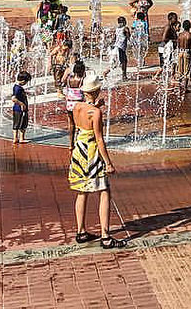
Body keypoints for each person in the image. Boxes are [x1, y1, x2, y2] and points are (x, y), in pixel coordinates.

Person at [69, 73, 123, 248]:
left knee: (81, 192)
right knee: (104, 191)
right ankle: (105, 236)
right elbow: (99, 139)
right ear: (97, 90)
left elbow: (84, 117)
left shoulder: (77, 107)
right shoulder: (96, 113)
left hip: (79, 150)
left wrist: (95, 105)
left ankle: (81, 231)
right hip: (92, 153)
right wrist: (108, 162)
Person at [61, 60, 86, 151]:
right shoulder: (82, 80)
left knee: (71, 124)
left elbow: (62, 82)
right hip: (78, 104)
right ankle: (79, 142)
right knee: (80, 124)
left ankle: (70, 144)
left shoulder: (68, 79)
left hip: (69, 104)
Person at [11, 71, 31, 143]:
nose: (26, 83)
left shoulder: (17, 87)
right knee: (23, 123)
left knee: (17, 123)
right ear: (23, 81)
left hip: (17, 109)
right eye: (26, 82)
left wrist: (25, 93)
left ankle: (15, 138)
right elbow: (13, 99)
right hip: (20, 109)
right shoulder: (17, 88)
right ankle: (21, 138)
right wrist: (22, 104)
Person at [176, 19, 191, 86]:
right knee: (187, 71)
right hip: (187, 53)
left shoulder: (180, 35)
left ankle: (179, 86)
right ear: (190, 26)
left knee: (180, 70)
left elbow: (177, 46)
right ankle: (185, 87)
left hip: (180, 53)